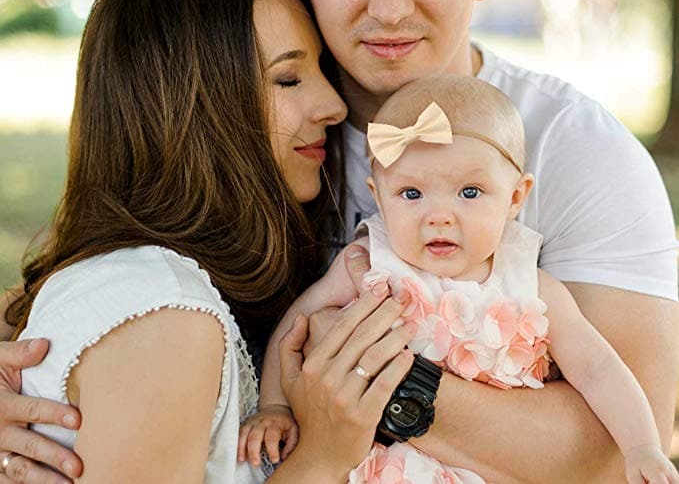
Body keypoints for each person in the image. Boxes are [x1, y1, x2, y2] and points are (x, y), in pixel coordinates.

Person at [0, 0, 677, 482]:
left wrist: (379, 389)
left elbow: (620, 453)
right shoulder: (250, 125)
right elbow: (117, 268)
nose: (388, 7)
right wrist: (35, 372)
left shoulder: (575, 149)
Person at [0, 0, 420, 484]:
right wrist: (323, 456)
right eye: (288, 79)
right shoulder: (160, 314)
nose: (334, 105)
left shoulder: (152, 290)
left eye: (320, 72)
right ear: (191, 106)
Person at [239, 75, 679, 484]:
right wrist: (275, 405)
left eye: (470, 192)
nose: (439, 216)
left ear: (515, 197)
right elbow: (299, 327)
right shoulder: (370, 260)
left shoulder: (533, 285)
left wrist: (641, 446)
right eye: (411, 194)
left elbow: (598, 367)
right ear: (378, 196)